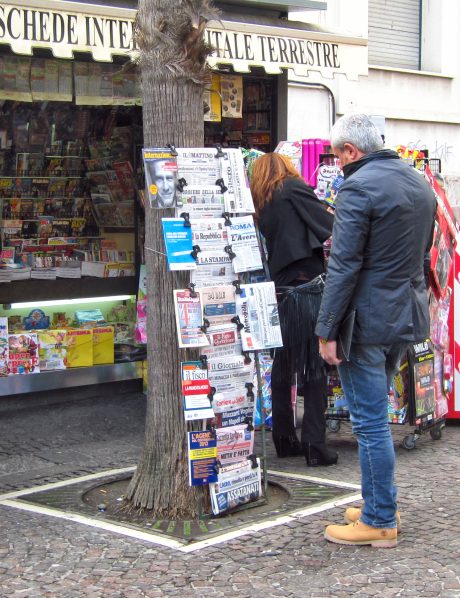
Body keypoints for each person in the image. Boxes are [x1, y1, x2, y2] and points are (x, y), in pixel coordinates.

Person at [315, 113, 436, 547]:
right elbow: (423, 255)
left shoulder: (358, 187)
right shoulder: (418, 182)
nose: (337, 162)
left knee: (369, 424)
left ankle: (380, 519)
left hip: (366, 321)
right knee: (373, 419)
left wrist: (326, 329)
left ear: (351, 151)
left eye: (338, 155)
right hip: (404, 315)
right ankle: (377, 503)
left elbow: (344, 263)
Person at [250, 152, 338, 467]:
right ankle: (315, 443)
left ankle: (284, 438)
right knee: (314, 367)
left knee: (283, 365)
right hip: (306, 286)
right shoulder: (292, 187)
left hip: (280, 289)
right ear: (286, 168)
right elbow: (329, 225)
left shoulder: (262, 199)